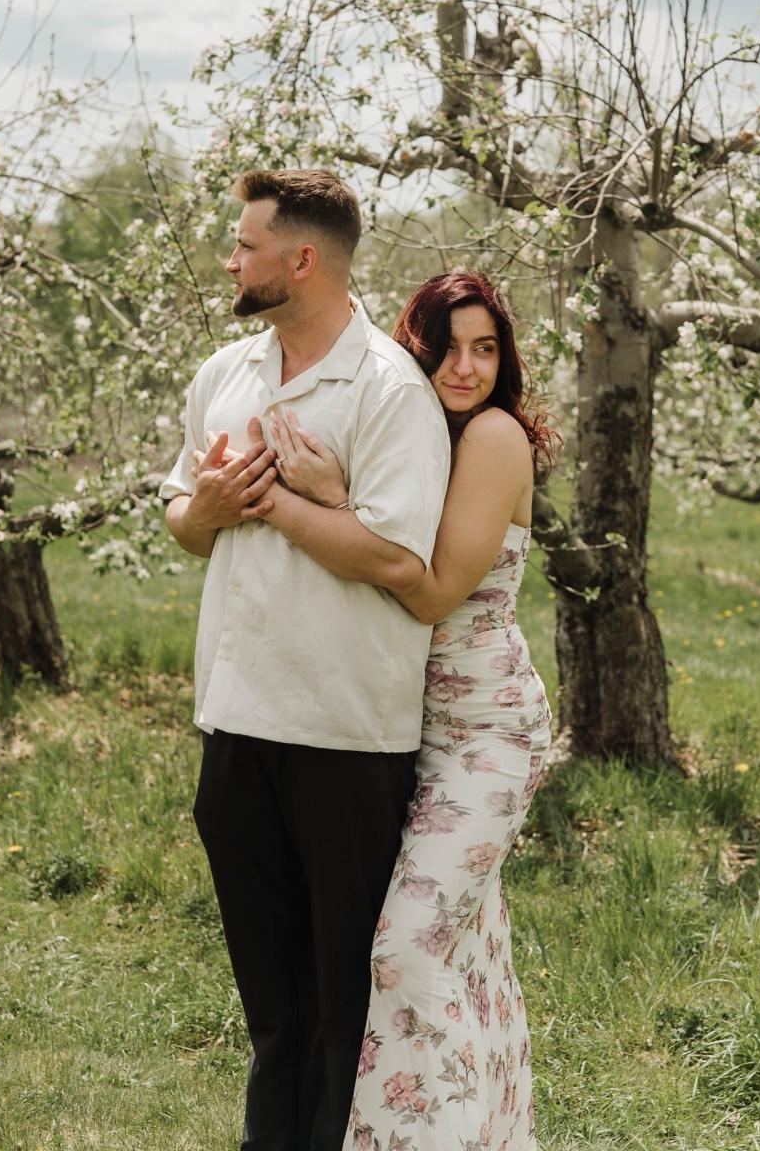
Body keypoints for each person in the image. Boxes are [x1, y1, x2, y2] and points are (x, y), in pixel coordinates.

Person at [159, 167, 451, 1151]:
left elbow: (398, 558)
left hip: (344, 734)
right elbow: (184, 518)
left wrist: (277, 504)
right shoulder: (225, 373)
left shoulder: (388, 389)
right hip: (235, 722)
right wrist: (205, 510)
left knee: (338, 1010)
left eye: (244, 246)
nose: (229, 261)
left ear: (301, 259)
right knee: (271, 1006)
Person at [261, 269, 556, 1151]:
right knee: (470, 954)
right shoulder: (422, 433)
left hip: (491, 735)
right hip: (415, 732)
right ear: (415, 352)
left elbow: (430, 592)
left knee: (408, 950)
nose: (466, 368)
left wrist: (329, 502)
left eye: (486, 349)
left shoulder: (494, 436)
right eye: (447, 349)